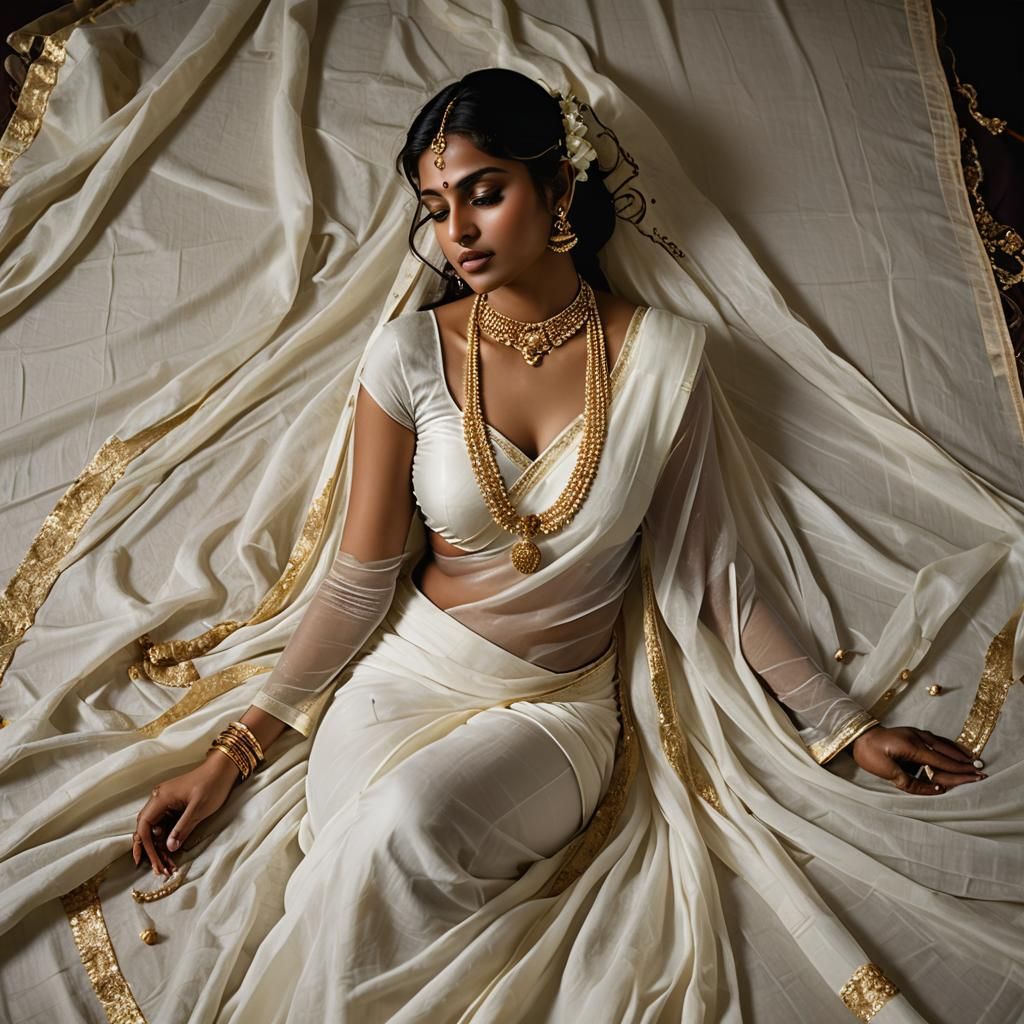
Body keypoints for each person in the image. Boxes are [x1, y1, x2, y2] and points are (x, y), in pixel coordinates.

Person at [2, 62, 1022, 1024]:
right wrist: (230, 755)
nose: (458, 232)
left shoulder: (666, 358)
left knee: (400, 826)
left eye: (483, 193)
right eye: (436, 209)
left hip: (551, 709)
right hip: (401, 675)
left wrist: (844, 724)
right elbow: (359, 581)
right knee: (364, 848)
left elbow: (714, 574)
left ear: (558, 185)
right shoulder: (407, 352)